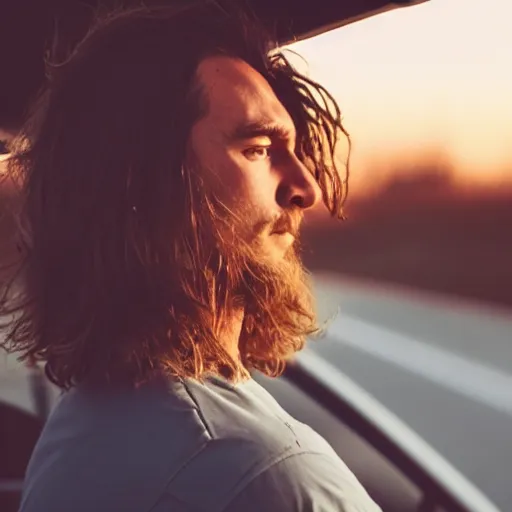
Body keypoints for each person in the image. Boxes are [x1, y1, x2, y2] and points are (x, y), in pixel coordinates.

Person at [0, 1, 380, 510]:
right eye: (257, 148)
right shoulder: (259, 474)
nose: (306, 187)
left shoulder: (83, 427)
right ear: (147, 184)